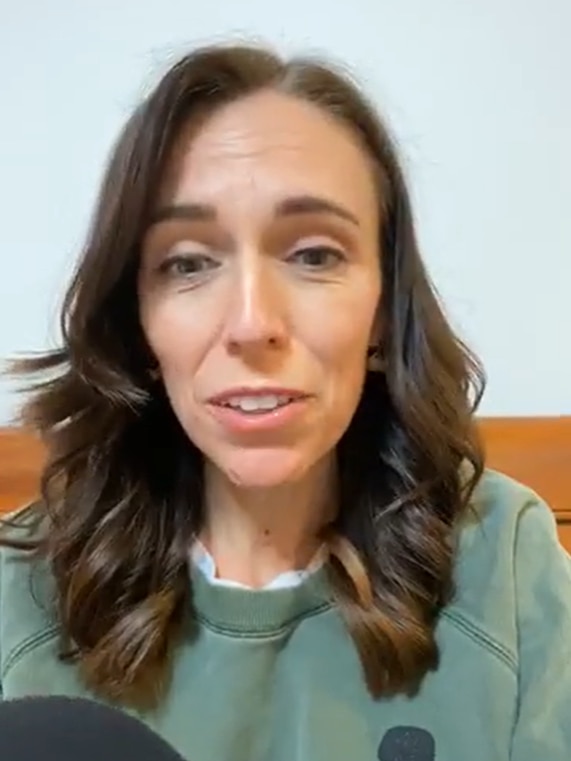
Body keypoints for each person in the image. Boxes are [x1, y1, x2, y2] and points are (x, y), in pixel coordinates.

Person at [1, 42, 569, 761]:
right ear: (138, 323)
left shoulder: (506, 562)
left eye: (313, 255)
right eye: (187, 263)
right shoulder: (18, 590)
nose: (250, 323)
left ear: (383, 312)